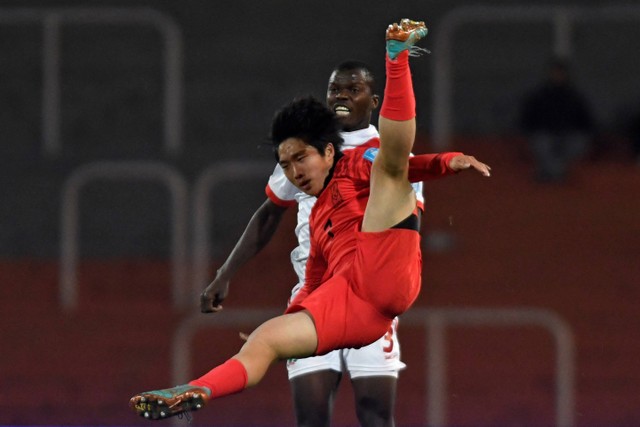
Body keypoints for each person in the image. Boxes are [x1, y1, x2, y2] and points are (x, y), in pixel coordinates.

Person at [130, 18, 491, 421]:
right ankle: (197, 390)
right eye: (286, 165)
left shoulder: (357, 160)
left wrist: (447, 161)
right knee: (266, 339)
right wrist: (290, 329)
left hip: (385, 267)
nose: (294, 172)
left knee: (390, 167)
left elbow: (403, 162)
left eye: (301, 159)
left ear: (328, 152)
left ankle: (397, 55)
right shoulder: (316, 218)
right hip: (353, 303)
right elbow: (314, 283)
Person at [201, 58, 419, 427]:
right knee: (311, 415)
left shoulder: (393, 156)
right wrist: (224, 274)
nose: (342, 96)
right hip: (315, 294)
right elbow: (269, 214)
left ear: (374, 100)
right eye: (335, 89)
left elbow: (406, 227)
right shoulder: (304, 148)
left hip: (366, 297)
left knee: (375, 414)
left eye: (353, 89)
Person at [520, 56, 594, 182]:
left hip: (569, 135)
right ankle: (558, 174)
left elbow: (586, 120)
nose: (558, 76)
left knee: (577, 144)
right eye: (555, 72)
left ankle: (549, 173)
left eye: (560, 73)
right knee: (542, 144)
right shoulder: (539, 96)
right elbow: (528, 119)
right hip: (545, 135)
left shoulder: (574, 97)